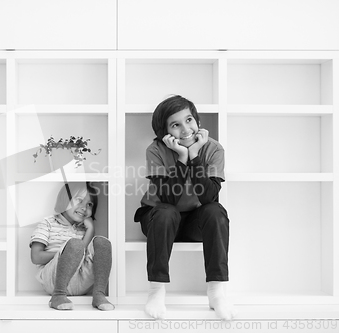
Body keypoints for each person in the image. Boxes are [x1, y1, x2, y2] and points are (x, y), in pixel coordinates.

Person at [134, 95, 236, 320]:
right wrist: (182, 158)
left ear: (197, 120)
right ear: (165, 132)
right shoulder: (156, 150)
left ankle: (216, 292)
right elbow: (168, 198)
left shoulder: (213, 149)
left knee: (216, 211)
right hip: (157, 218)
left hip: (192, 222)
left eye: (189, 120)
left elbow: (209, 197)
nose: (185, 129)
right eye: (175, 125)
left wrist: (195, 156)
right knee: (166, 211)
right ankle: (156, 291)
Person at [30, 182, 114, 311]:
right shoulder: (48, 223)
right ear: (65, 200)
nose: (84, 208)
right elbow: (36, 257)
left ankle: (99, 294)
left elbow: (83, 254)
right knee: (75, 244)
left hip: (80, 282)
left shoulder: (84, 229)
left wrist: (90, 230)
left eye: (89, 204)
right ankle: (58, 295)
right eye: (79, 200)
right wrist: (65, 254)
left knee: (102, 243)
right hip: (53, 280)